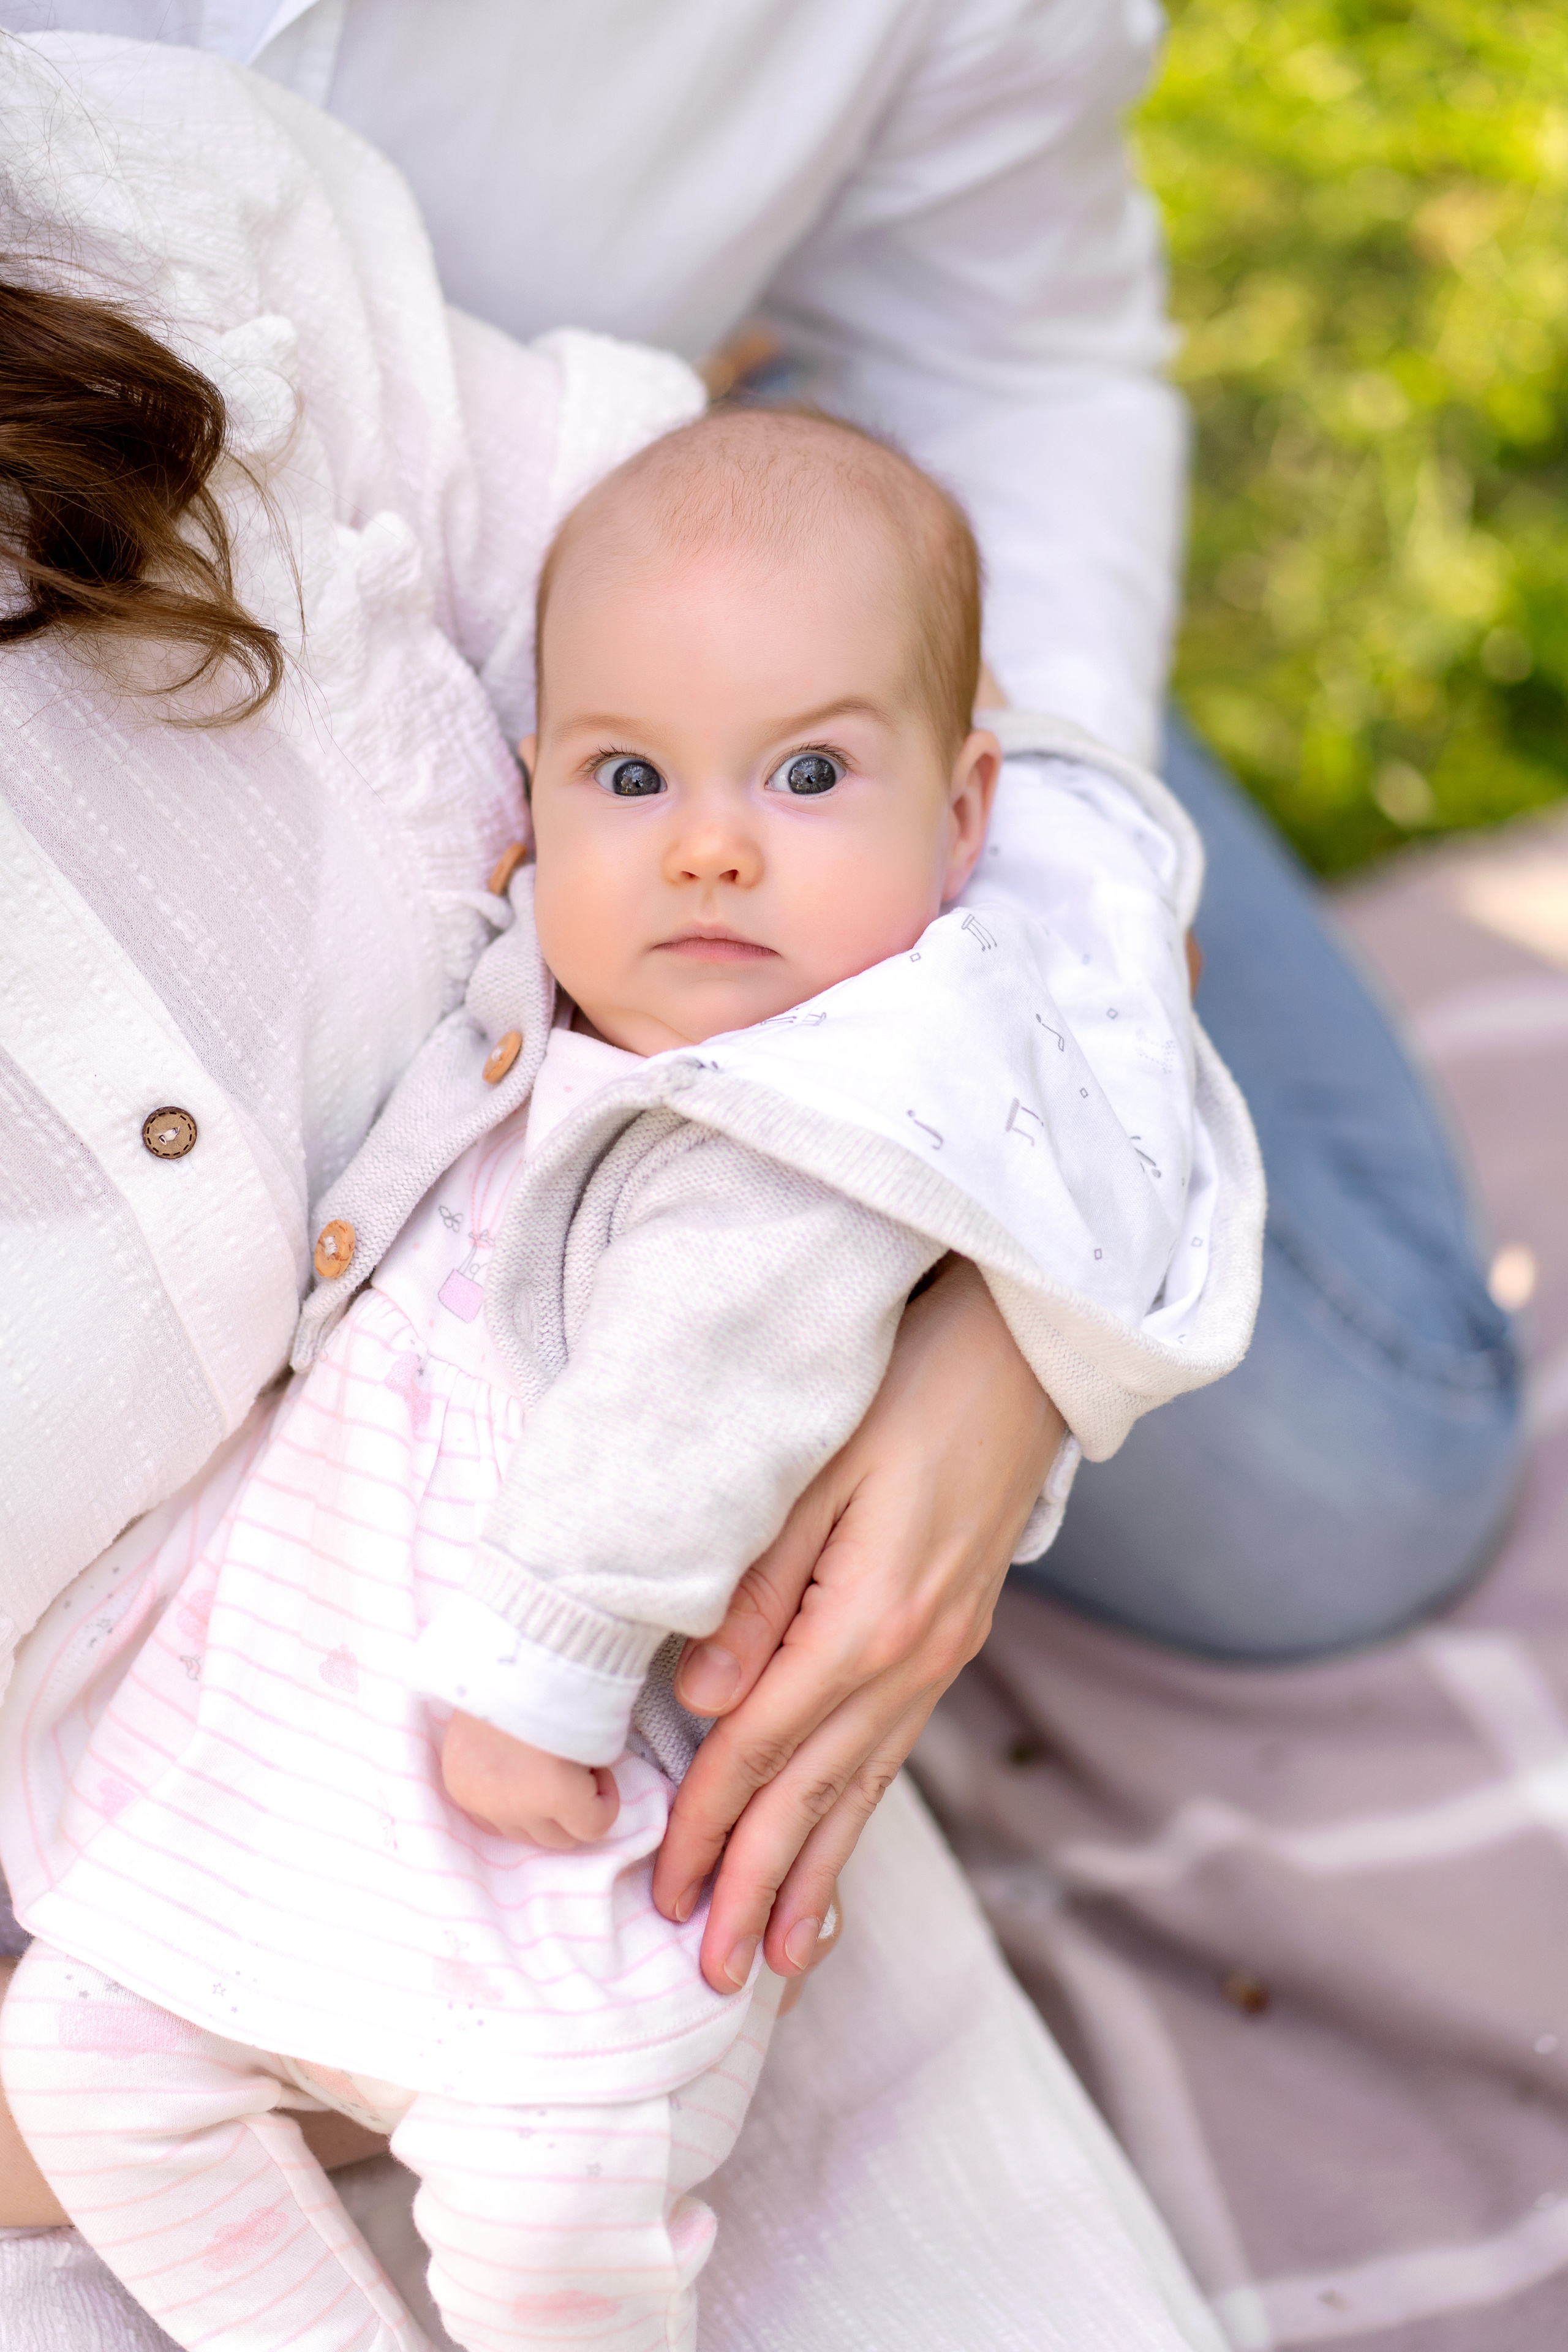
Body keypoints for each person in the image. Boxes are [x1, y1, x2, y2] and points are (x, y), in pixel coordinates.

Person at [2, 0, 1513, 1996]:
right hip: (217, 749)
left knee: (1350, 1491)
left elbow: (1017, 346)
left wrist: (989, 1228)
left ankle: (859, 666)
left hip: (685, 626)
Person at [0, 406, 1258, 2352]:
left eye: (813, 772)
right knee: (91, 2067)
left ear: (967, 813)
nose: (711, 843)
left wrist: (540, 1680)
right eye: (630, 775)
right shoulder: (568, 1013)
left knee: (539, 2195)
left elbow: (693, 1415)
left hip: (540, 1806)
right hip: (323, 1747)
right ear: (531, 800)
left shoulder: (806, 1118)